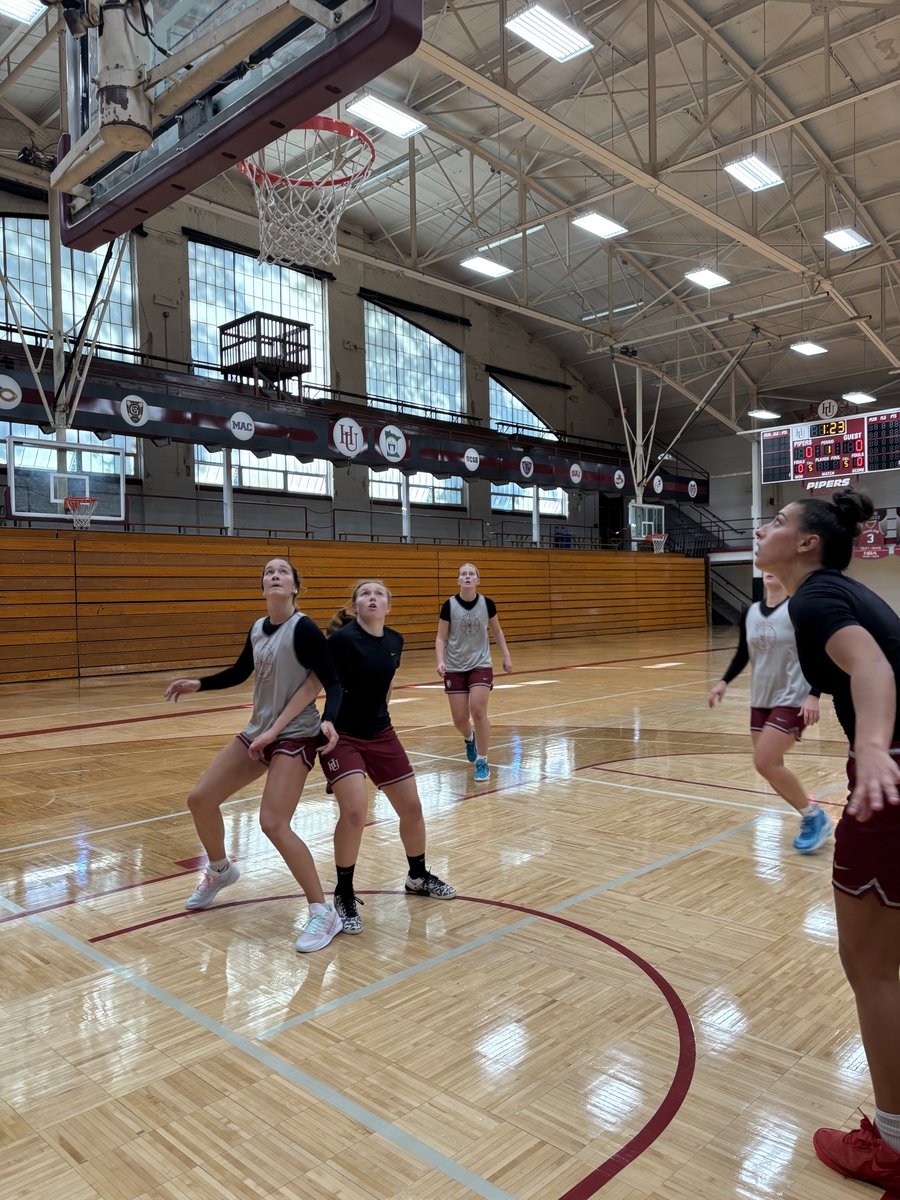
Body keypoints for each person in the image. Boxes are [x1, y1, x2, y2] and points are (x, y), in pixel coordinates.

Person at [755, 489, 900, 1193]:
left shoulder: (815, 601)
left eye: (779, 521)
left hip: (893, 780)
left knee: (871, 969)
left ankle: (895, 1150)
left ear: (808, 543)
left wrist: (873, 746)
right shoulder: (835, 593)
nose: (764, 527)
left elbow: (871, 666)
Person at [164, 557, 344, 954]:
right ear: (263, 587)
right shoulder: (258, 628)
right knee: (200, 800)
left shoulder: (305, 629)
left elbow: (333, 682)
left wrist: (329, 721)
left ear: (295, 587)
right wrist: (199, 683)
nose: (275, 576)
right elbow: (240, 671)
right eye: (269, 572)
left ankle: (322, 911)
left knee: (273, 823)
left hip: (295, 735)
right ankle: (220, 871)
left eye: (282, 572)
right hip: (257, 732)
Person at [317, 579, 456, 935]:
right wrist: (324, 733)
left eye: (379, 593)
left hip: (381, 733)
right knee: (355, 811)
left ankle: (417, 876)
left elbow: (386, 686)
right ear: (356, 605)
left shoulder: (396, 641)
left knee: (412, 807)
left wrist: (382, 718)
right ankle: (344, 892)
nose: (372, 598)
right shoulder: (341, 642)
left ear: (388, 606)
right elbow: (318, 687)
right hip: (342, 737)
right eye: (365, 594)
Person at [707, 570, 831, 853]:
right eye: (766, 565)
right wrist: (723, 682)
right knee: (772, 768)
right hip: (760, 700)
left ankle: (815, 817)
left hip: (793, 697)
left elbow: (818, 654)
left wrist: (814, 695)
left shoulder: (798, 609)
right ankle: (810, 816)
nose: (771, 569)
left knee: (764, 762)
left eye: (778, 564)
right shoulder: (750, 612)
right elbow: (743, 652)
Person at [435, 562, 512, 782]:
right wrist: (440, 661)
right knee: (460, 719)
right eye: (463, 574)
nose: (467, 577)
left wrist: (506, 655)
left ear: (478, 580)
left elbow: (497, 631)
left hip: (481, 664)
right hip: (455, 666)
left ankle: (482, 760)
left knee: (478, 711)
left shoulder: (487, 604)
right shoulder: (448, 606)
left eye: (471, 574)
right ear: (458, 580)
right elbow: (440, 638)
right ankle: (469, 737)